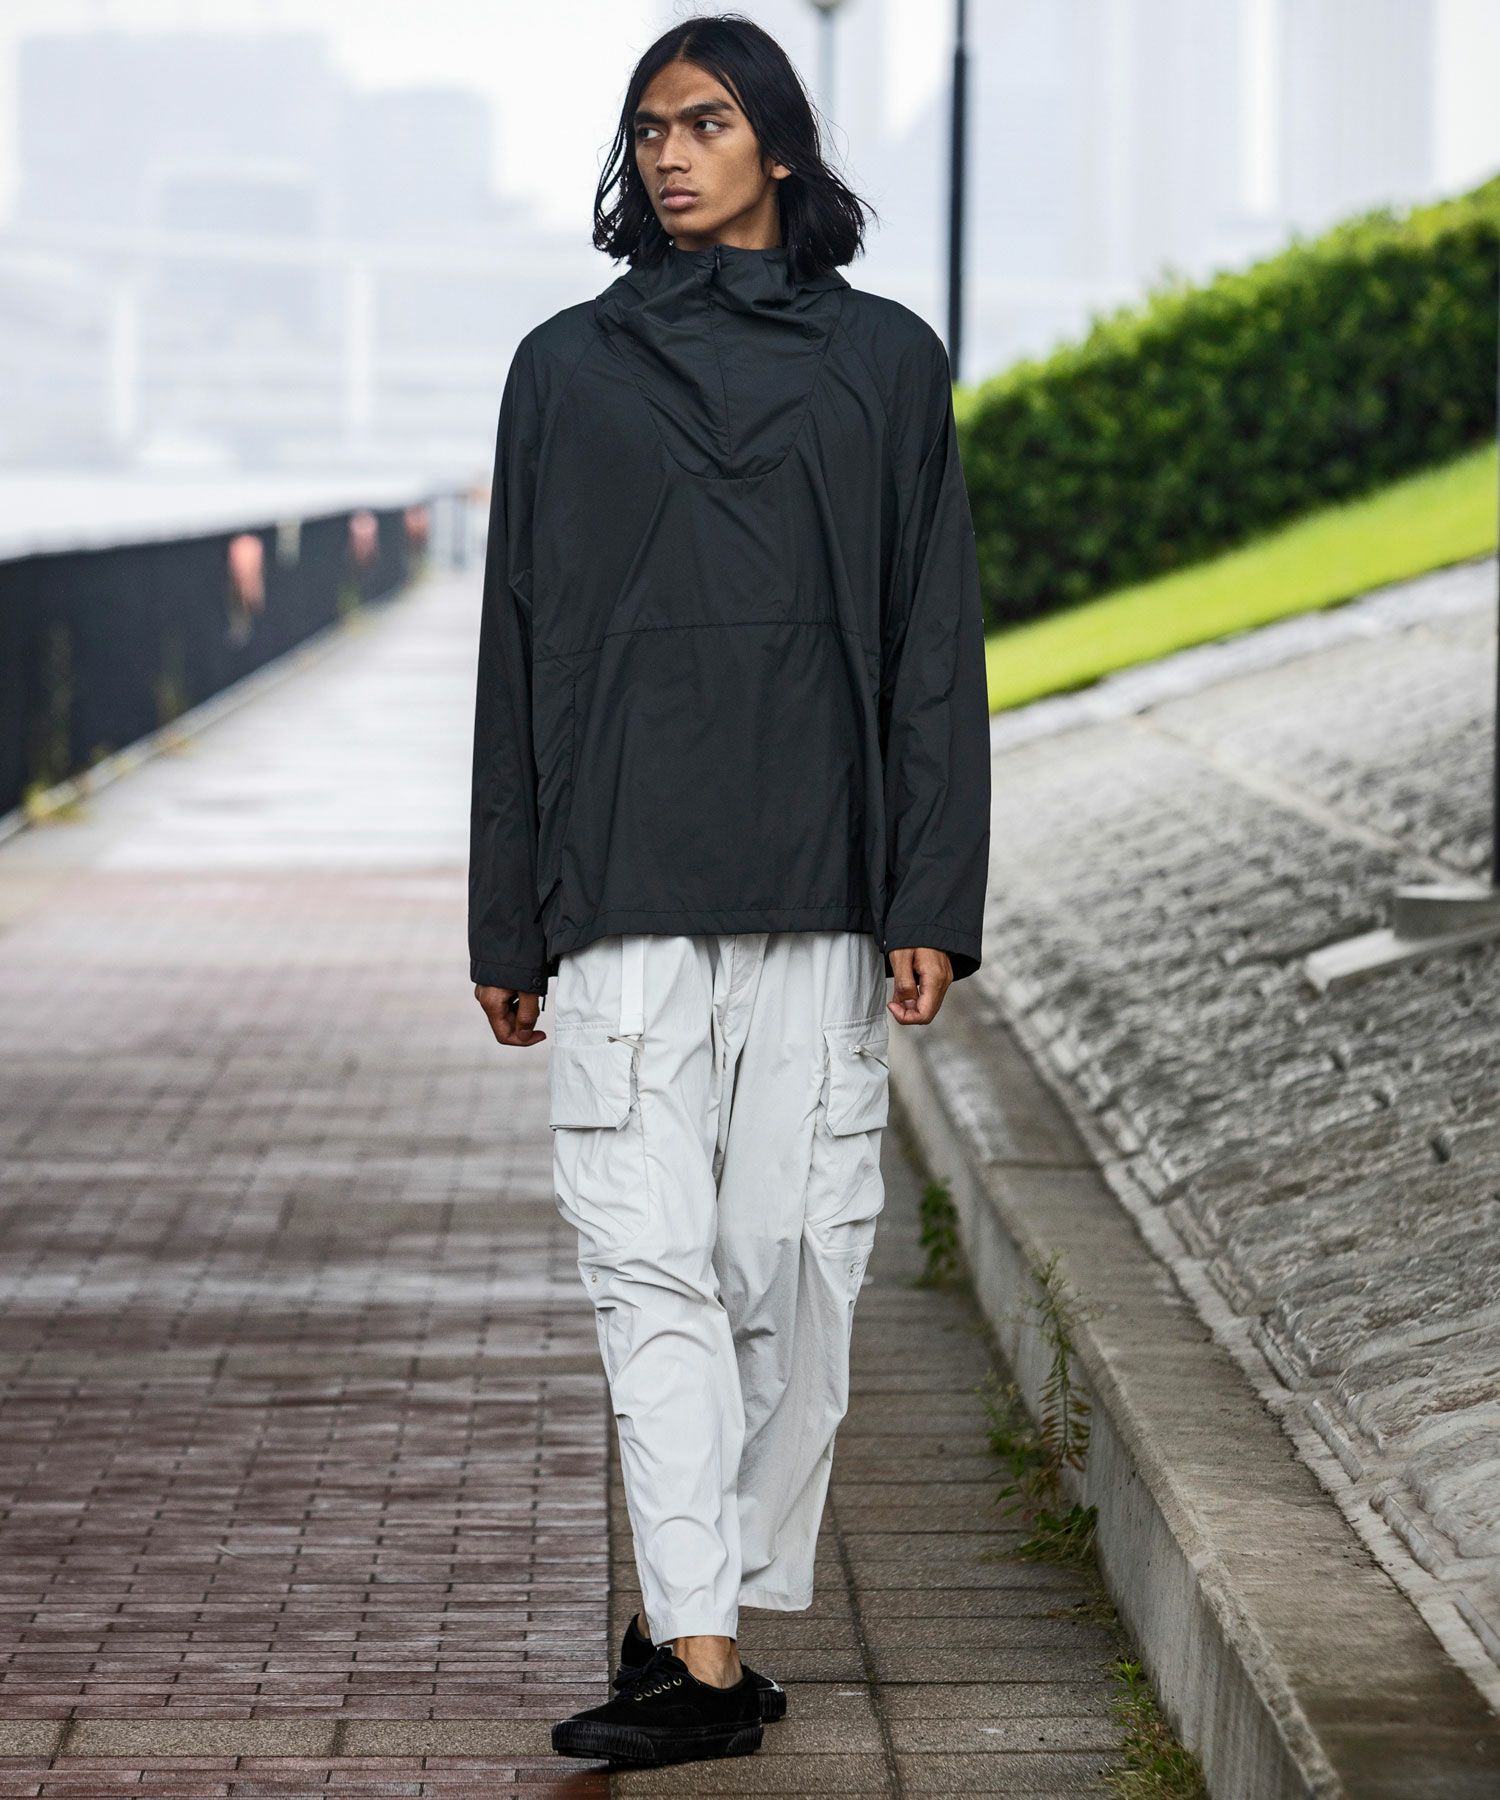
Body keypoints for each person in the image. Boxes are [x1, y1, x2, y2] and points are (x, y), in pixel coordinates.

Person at [469, 12, 990, 1770]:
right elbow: (515, 649)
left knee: (795, 1274)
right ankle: (698, 1654)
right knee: (650, 1269)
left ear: (776, 141)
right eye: (648, 131)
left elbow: (933, 646)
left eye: (702, 123)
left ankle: (706, 1617)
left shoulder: (888, 365)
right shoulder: (565, 370)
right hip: (619, 886)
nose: (670, 155)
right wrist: (505, 913)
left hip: (823, 884)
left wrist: (931, 894)